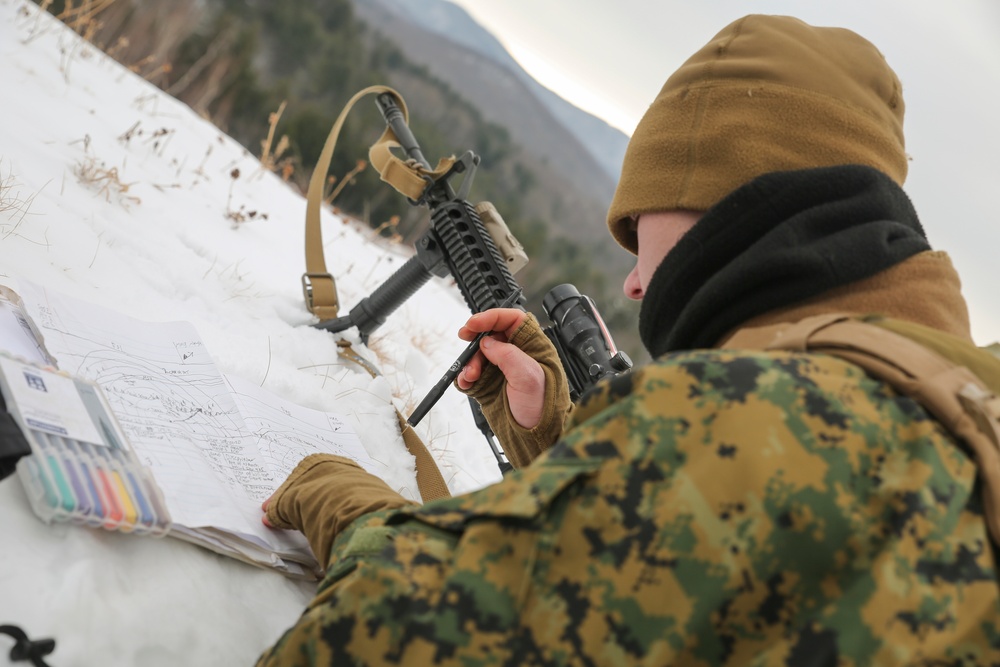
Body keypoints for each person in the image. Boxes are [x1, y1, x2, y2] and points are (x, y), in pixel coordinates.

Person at [257, 14, 1000, 666]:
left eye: (639, 222)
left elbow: (372, 641)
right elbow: (709, 584)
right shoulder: (952, 410)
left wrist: (350, 510)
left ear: (715, 202)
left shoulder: (745, 423)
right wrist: (558, 436)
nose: (634, 283)